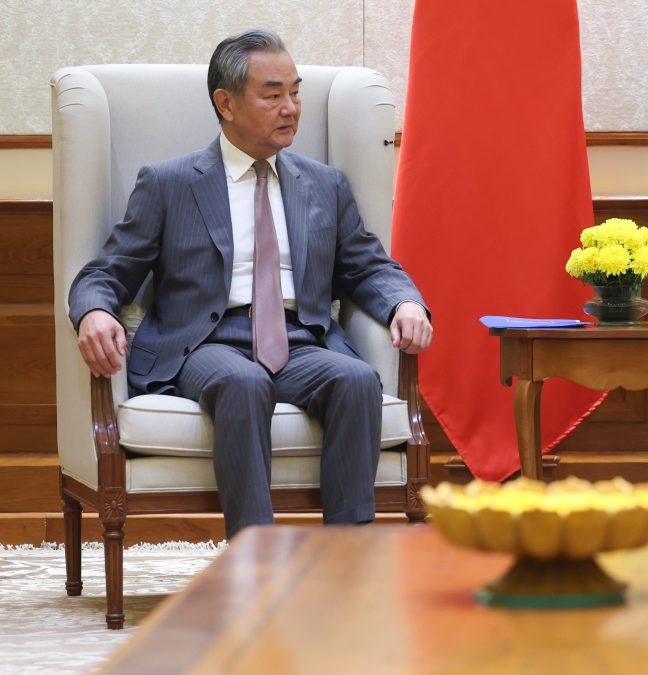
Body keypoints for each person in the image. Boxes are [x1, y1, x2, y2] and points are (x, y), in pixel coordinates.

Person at [68, 28, 432, 539]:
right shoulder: (170, 183)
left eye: (295, 92)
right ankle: (254, 561)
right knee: (245, 383)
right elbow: (106, 272)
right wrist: (95, 311)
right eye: (273, 93)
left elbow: (369, 266)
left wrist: (404, 303)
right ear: (227, 103)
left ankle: (347, 563)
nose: (291, 108)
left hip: (301, 340)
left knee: (355, 379)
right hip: (205, 344)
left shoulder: (323, 185)